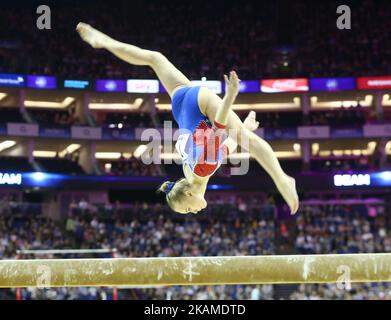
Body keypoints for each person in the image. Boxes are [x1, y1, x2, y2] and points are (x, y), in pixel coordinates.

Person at [76, 22, 299, 215]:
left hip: (199, 103)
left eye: (188, 209)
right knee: (154, 58)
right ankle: (104, 41)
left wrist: (230, 97)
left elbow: (218, 129)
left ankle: (282, 179)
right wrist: (244, 126)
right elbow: (223, 149)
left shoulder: (202, 171)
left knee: (252, 143)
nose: (193, 212)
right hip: (181, 105)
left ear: (190, 193)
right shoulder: (190, 174)